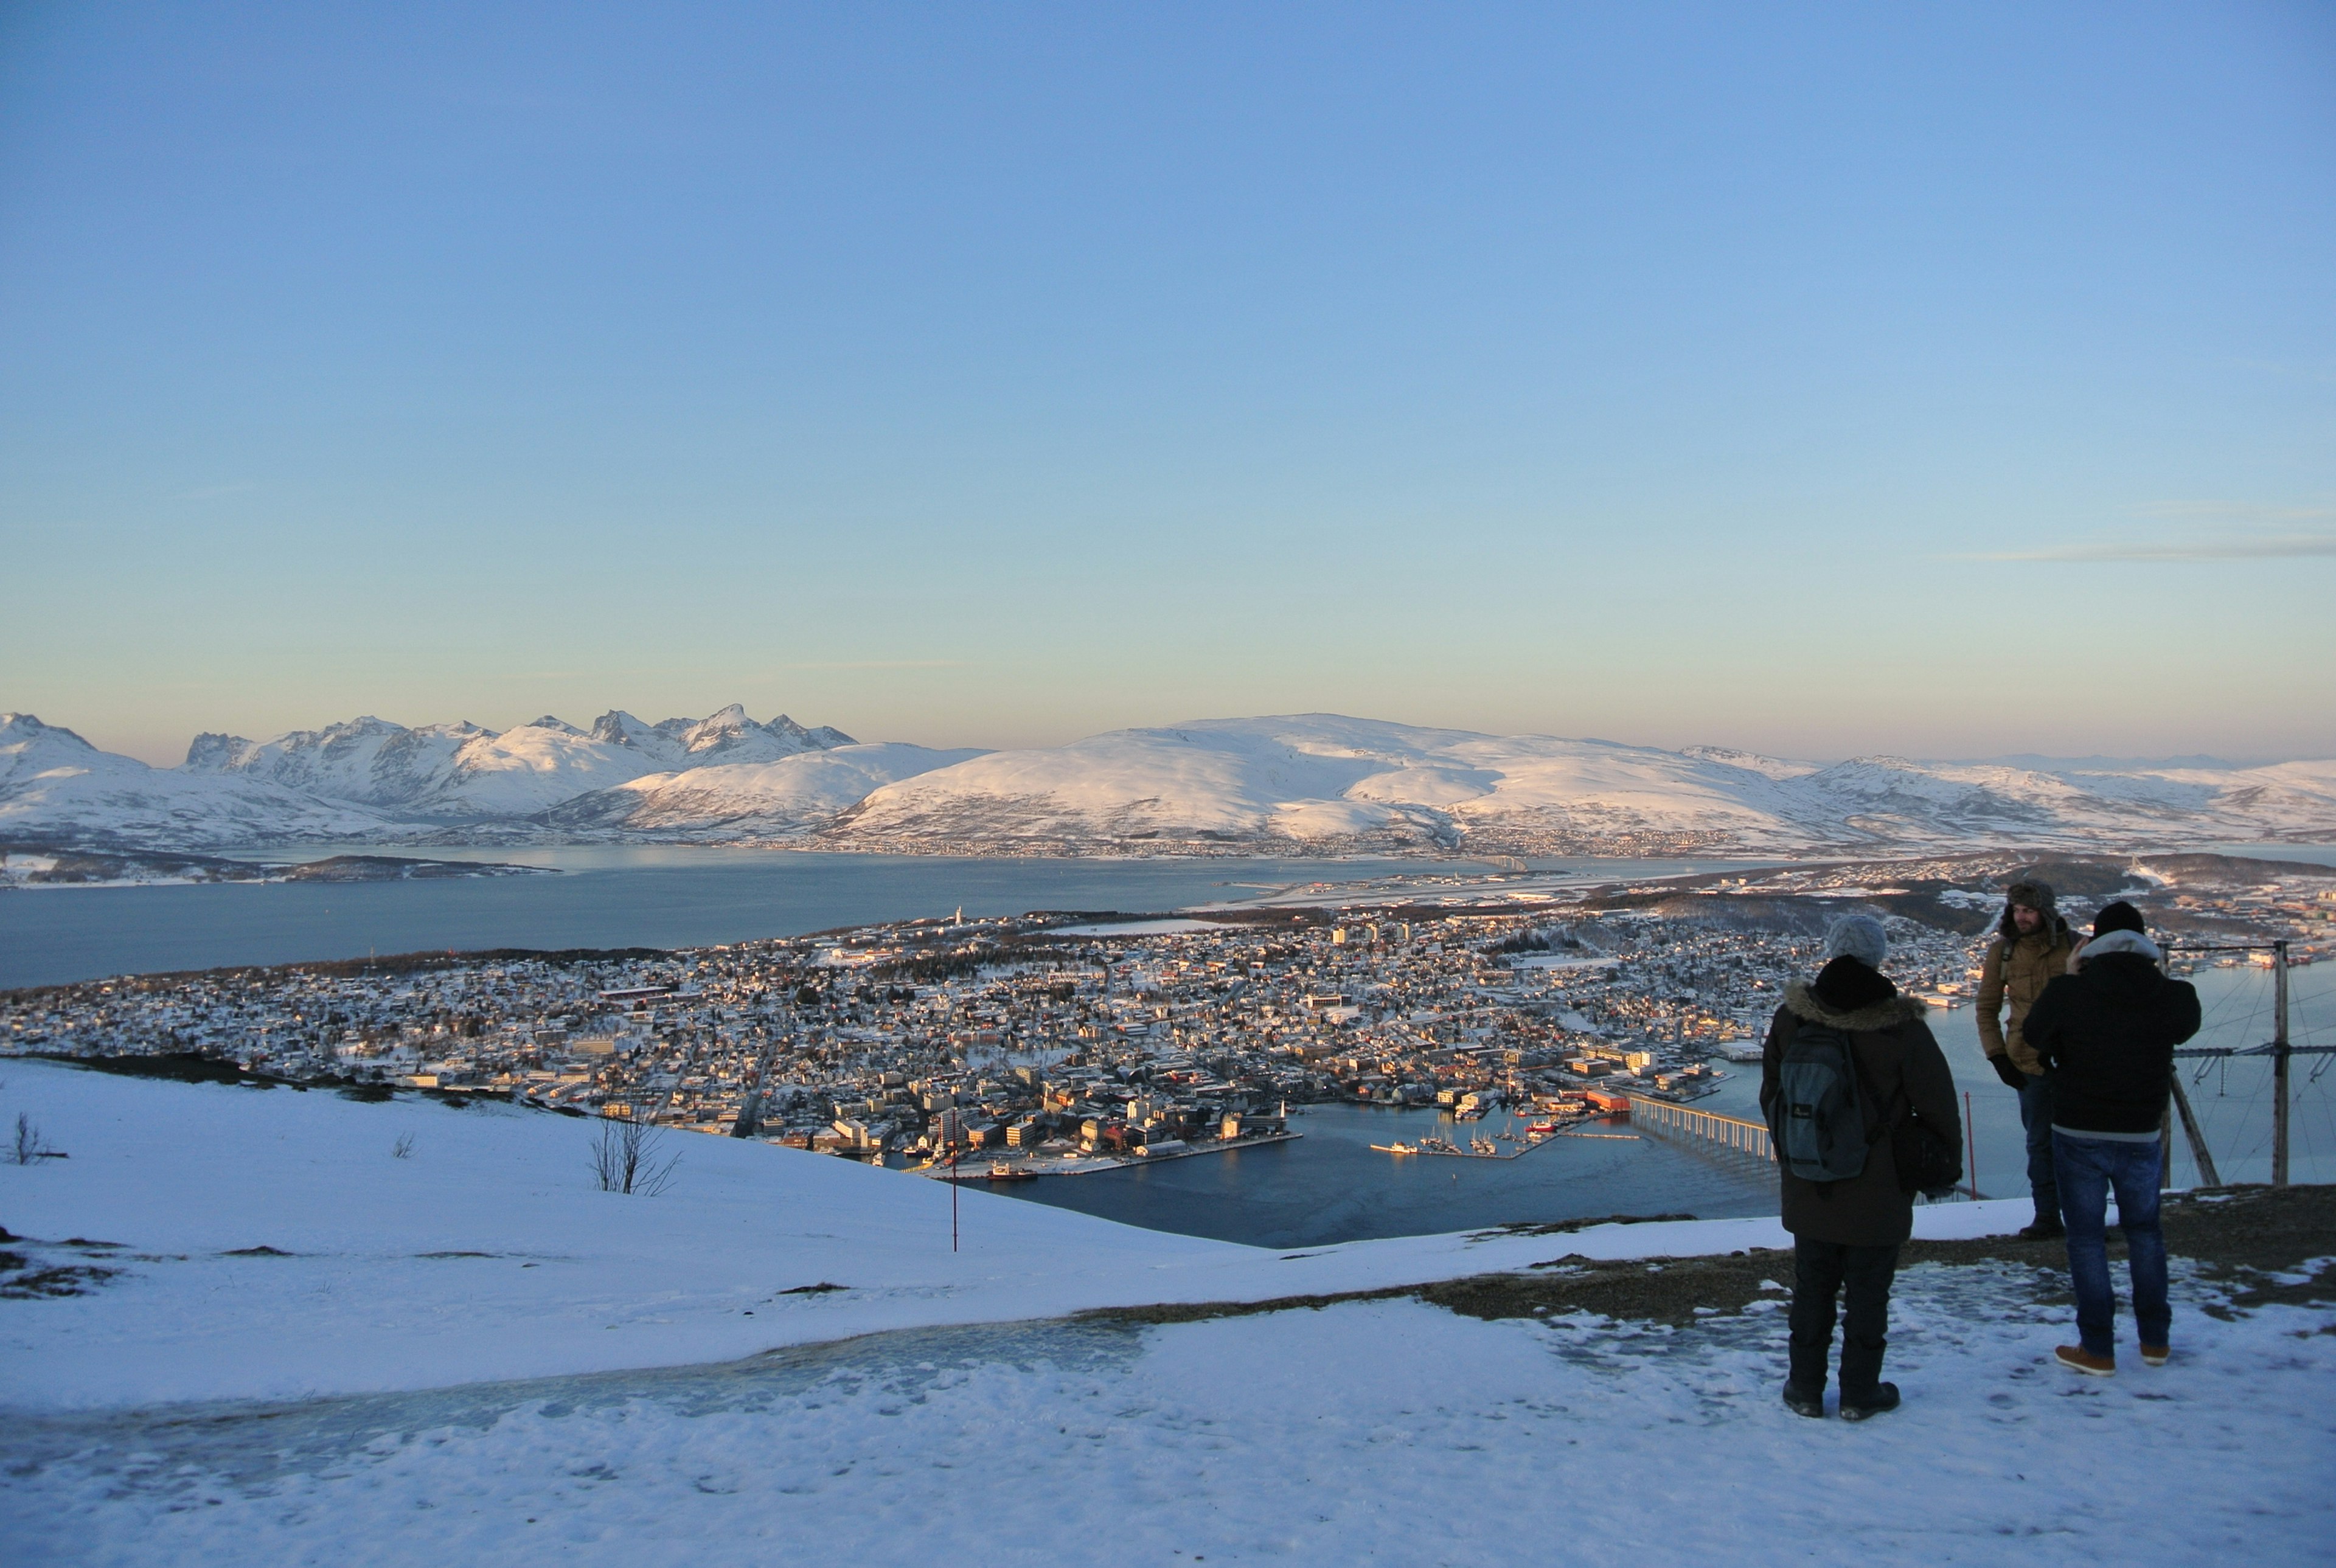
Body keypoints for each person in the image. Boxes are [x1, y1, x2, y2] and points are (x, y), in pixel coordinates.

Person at [1762, 914, 1961, 1420]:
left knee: (1813, 1289)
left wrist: (1796, 1157)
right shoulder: (1901, 1026)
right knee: (1869, 1294)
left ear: (1831, 951)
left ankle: (1804, 1388)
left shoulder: (1793, 1018)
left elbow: (1773, 1099)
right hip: (1877, 1184)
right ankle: (1859, 1393)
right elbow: (1936, 1104)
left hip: (1810, 1182)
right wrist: (1937, 1166)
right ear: (1879, 956)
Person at [2023, 901, 2200, 1376]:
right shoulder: (2171, 994)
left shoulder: (2069, 991)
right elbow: (2186, 1021)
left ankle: (2098, 1347)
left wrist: (2069, 975)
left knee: (2085, 1239)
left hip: (2077, 1129)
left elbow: (2035, 1034)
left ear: (2093, 942)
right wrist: (2156, 974)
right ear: (2146, 945)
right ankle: (2155, 1341)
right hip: (2140, 1132)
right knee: (2145, 1232)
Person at [1976, 880, 2079, 1240]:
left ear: (2046, 912)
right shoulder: (2003, 952)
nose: (2021, 917)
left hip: (2075, 1063)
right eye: (2017, 910)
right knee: (2039, 1143)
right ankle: (2048, 1216)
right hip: (2027, 1063)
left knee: (2082, 1142)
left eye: (2029, 911)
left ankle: (2085, 1215)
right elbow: (1987, 1008)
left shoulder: (2076, 948)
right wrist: (1997, 1057)